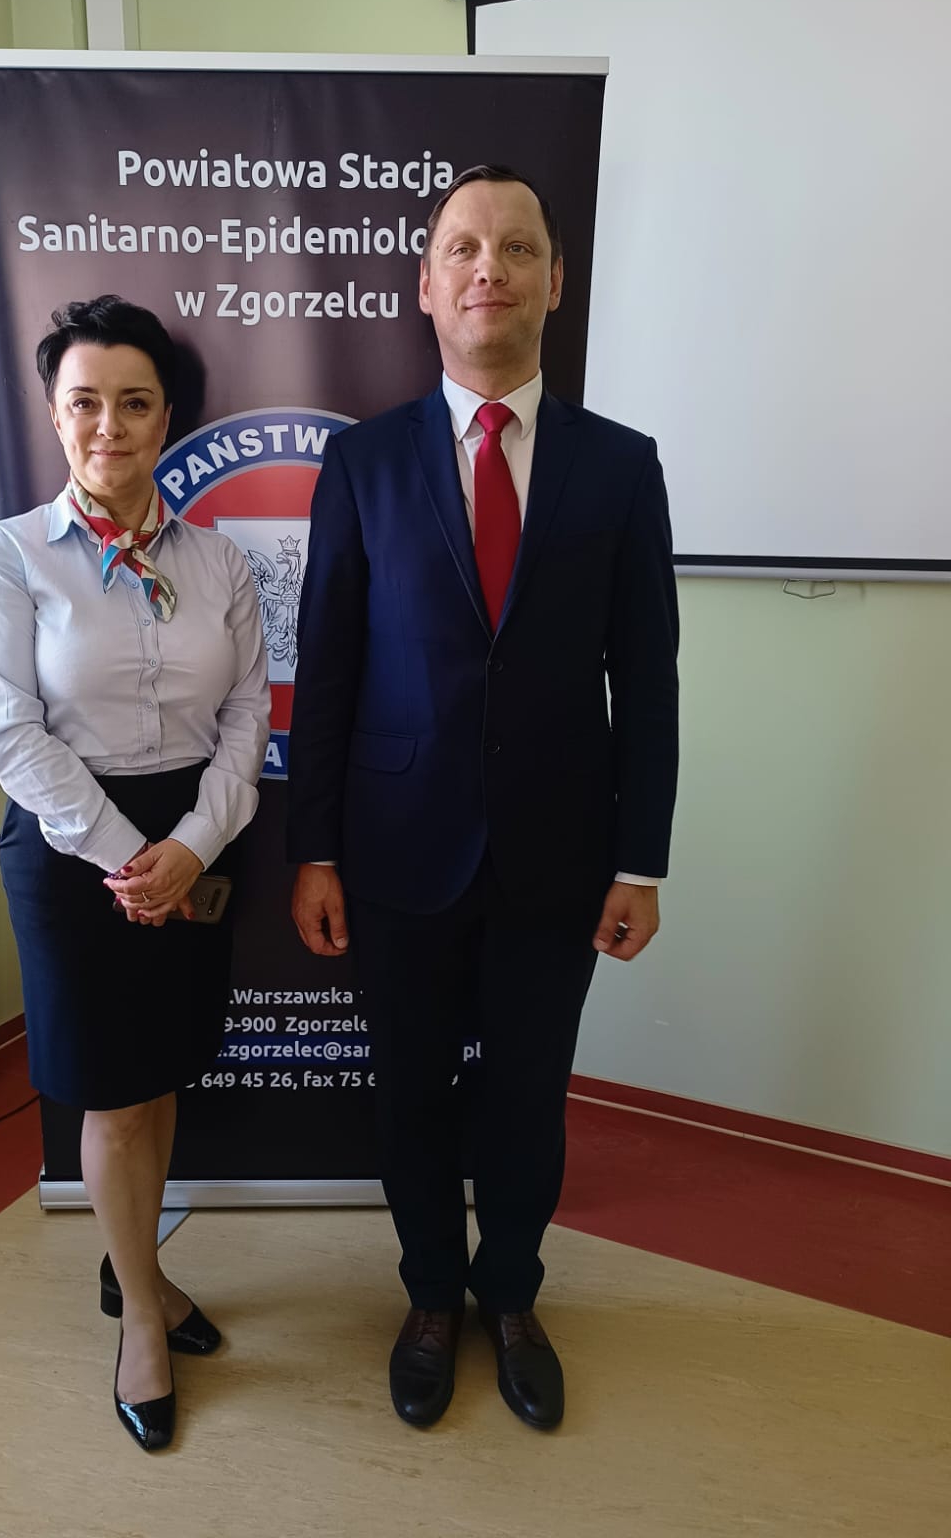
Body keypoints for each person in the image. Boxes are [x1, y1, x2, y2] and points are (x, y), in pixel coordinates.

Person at [287, 166, 679, 1432]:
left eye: (516, 248)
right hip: (396, 850)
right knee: (409, 1092)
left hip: (558, 853)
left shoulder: (621, 467)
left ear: (556, 281)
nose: (488, 268)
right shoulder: (363, 462)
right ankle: (428, 1297)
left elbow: (648, 679)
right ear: (426, 283)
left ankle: (509, 1292)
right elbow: (327, 669)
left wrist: (641, 860)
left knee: (526, 1092)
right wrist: (314, 850)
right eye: (462, 247)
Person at [0, 295, 270, 1452]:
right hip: (71, 844)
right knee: (113, 1090)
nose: (109, 425)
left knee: (161, 1070)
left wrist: (192, 844)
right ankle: (142, 1309)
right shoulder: (9, 557)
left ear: (166, 418)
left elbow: (248, 716)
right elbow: (12, 731)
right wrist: (127, 855)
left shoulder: (221, 561)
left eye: (134, 403)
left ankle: (134, 1265)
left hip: (195, 832)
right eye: (84, 402)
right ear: (53, 414)